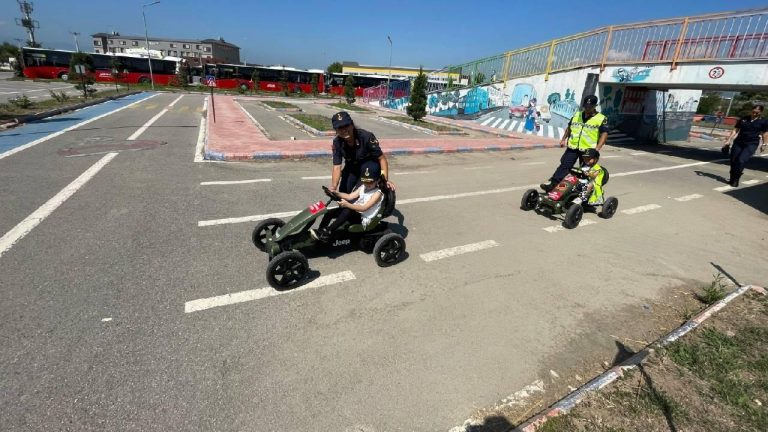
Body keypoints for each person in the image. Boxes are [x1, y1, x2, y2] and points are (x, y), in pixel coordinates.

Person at [540, 95, 609, 192]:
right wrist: (563, 139)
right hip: (573, 147)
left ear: (595, 106)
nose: (587, 108)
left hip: (588, 150)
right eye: (586, 106)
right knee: (564, 166)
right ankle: (553, 185)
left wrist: (597, 150)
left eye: (590, 106)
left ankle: (584, 193)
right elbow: (570, 128)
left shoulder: (601, 118)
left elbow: (604, 134)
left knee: (586, 171)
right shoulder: (577, 115)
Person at [311, 161, 384, 243]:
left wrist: (347, 205)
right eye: (364, 181)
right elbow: (350, 196)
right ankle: (321, 231)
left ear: (378, 180)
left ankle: (328, 231)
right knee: (330, 213)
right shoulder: (363, 187)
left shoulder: (377, 193)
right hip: (355, 212)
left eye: (370, 182)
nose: (367, 184)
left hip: (363, 217)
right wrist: (335, 193)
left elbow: (364, 208)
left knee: (347, 210)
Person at [329, 111, 396, 194]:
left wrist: (385, 180)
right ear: (336, 130)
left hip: (369, 166)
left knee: (362, 193)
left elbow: (381, 159)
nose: (344, 130)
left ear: (352, 125)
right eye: (340, 128)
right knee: (343, 193)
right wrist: (334, 186)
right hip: (352, 167)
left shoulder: (366, 137)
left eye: (346, 126)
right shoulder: (337, 142)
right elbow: (337, 167)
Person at [722, 104, 768, 187]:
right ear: (751, 110)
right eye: (753, 112)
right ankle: (732, 178)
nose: (754, 114)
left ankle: (736, 179)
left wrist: (764, 144)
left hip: (752, 143)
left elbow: (765, 133)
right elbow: (736, 130)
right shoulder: (744, 119)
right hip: (739, 142)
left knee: (741, 160)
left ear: (760, 112)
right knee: (733, 160)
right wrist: (728, 140)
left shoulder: (763, 121)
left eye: (757, 113)